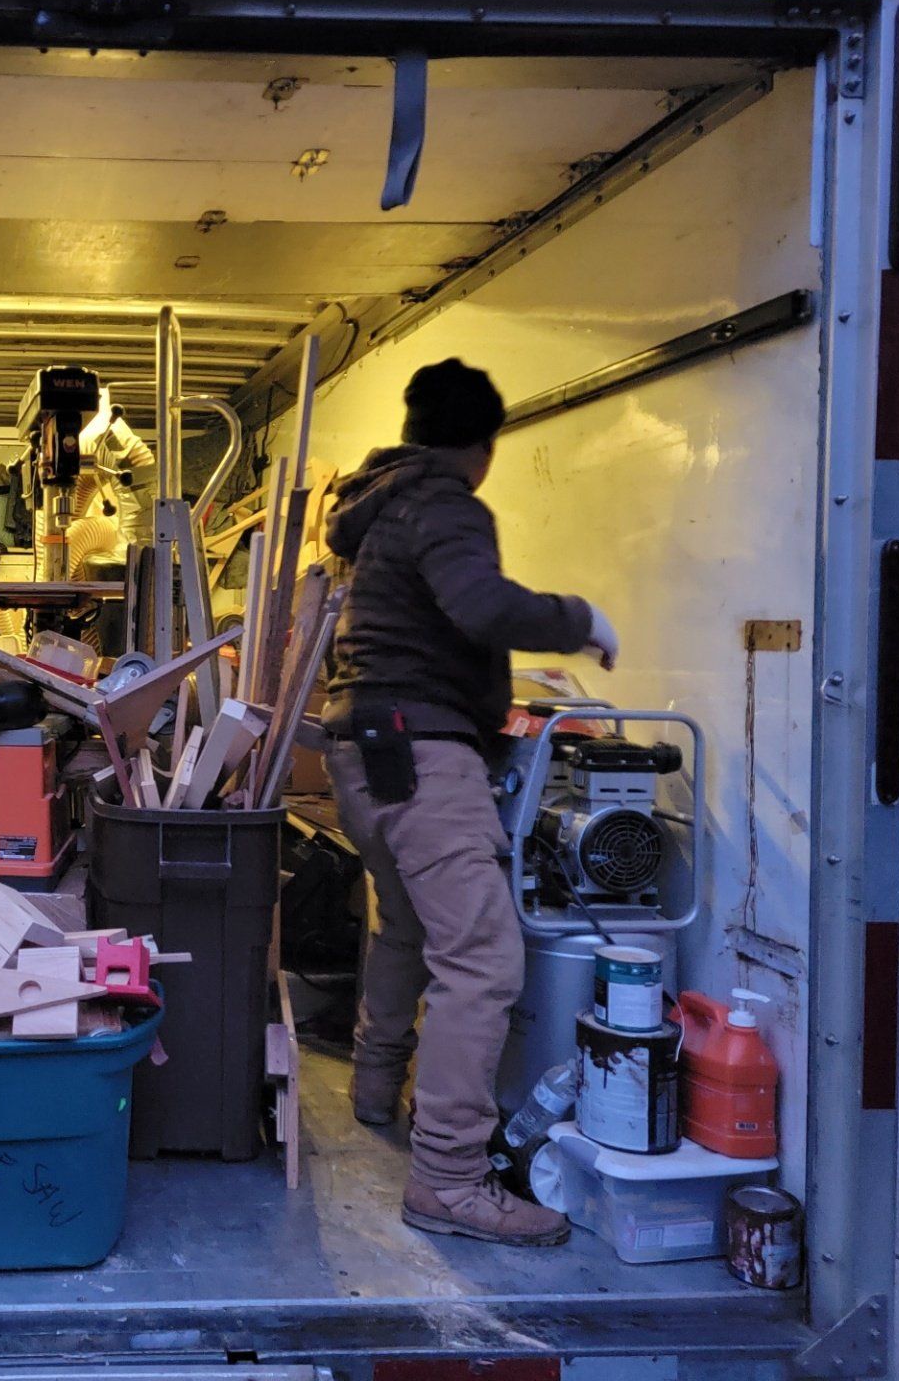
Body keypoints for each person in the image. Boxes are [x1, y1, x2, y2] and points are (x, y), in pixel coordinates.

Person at [321, 358, 618, 1248]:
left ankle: (376, 1088)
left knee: (406, 928)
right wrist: (580, 620)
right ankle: (450, 1180)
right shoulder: (445, 501)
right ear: (484, 448)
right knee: (483, 960)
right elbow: (482, 605)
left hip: (364, 751)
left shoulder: (380, 506)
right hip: (421, 752)